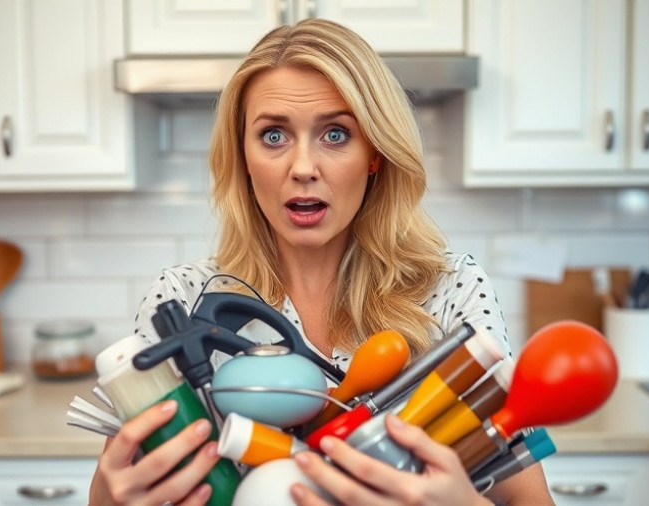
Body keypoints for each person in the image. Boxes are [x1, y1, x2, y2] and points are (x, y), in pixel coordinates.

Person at [89, 18, 555, 506]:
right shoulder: (182, 302)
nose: (304, 168)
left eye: (335, 134)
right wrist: (108, 497)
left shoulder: (452, 291)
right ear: (243, 156)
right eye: (273, 136)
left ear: (375, 153)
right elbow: (120, 483)